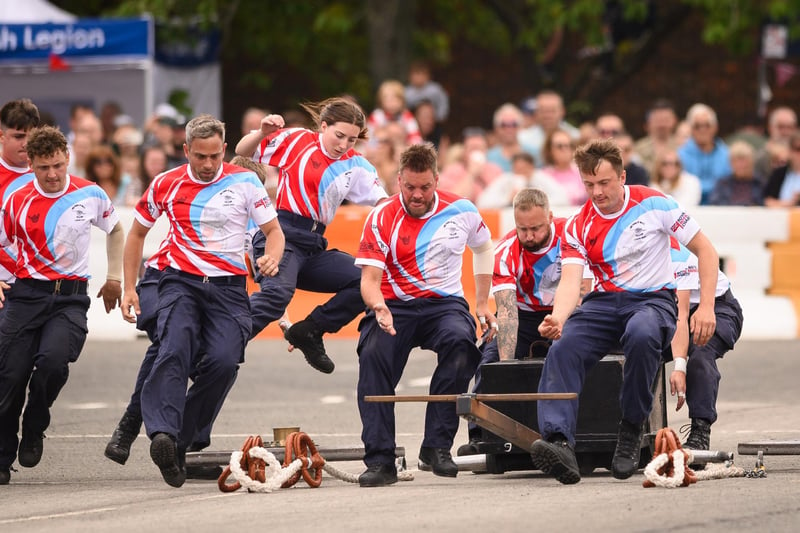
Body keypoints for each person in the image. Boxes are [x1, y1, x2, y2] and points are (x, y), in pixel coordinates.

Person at [529, 138, 720, 485]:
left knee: (643, 332)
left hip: (652, 299)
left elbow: (706, 251)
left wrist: (706, 306)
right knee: (563, 347)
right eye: (589, 185)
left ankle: (631, 428)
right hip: (603, 303)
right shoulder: (577, 224)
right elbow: (571, 281)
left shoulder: (655, 203)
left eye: (604, 183)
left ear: (622, 177)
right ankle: (560, 443)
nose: (597, 192)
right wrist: (558, 317)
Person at [120, 114, 284, 488]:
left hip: (228, 289)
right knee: (175, 347)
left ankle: (180, 438)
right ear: (186, 151)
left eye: (214, 156)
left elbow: (273, 232)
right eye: (199, 157)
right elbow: (135, 236)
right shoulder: (166, 183)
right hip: (181, 282)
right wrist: (130, 287)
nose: (208, 164)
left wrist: (272, 255)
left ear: (224, 150)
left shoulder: (244, 181)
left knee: (224, 363)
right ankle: (162, 433)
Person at [354, 142, 496, 487]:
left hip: (443, 304)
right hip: (394, 305)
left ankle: (436, 446)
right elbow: (369, 280)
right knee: (373, 355)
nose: (417, 195)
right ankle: (380, 459)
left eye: (425, 187)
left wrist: (481, 302)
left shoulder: (461, 210)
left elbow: (483, 247)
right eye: (409, 187)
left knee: (463, 345)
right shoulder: (381, 216)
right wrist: (378, 307)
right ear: (398, 180)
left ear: (437, 180)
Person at [0, 125, 124, 485]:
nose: (52, 175)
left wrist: (113, 277)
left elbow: (116, 230)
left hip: (69, 299)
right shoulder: (16, 198)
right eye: (43, 168)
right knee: (9, 377)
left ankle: (36, 423)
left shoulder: (90, 193)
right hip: (25, 296)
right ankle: (3, 456)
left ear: (68, 158)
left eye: (58, 165)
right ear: (32, 164)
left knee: (53, 363)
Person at [235, 97, 388, 374]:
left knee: (364, 281)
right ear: (323, 126)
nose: (343, 145)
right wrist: (261, 133)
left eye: (352, 140)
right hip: (281, 234)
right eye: (339, 136)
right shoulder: (297, 140)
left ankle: (310, 330)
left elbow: (384, 205)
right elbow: (242, 151)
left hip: (314, 245)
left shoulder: (357, 165)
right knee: (277, 295)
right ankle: (223, 343)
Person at [457, 188, 592, 455]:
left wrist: (562, 322)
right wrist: (505, 368)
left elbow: (583, 291)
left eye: (536, 228)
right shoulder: (506, 251)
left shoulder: (573, 236)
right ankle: (481, 434)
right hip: (525, 315)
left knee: (573, 355)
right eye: (523, 229)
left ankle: (581, 426)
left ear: (551, 218)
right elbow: (507, 313)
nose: (529, 236)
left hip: (568, 311)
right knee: (490, 360)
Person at [667, 239, 743, 454]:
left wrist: (679, 368)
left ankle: (700, 431)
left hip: (716, 308)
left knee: (700, 354)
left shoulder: (680, 257)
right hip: (670, 310)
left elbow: (680, 316)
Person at [0, 99, 40, 300]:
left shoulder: (48, 173)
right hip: (5, 288)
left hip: (40, 286)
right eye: (18, 136)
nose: (26, 143)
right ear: (1, 136)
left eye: (30, 136)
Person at [677, 103, 731, 204]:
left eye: (707, 125)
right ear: (691, 129)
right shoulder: (679, 155)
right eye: (697, 126)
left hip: (721, 209)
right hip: (689, 209)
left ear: (715, 127)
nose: (702, 130)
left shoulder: (727, 155)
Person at [707, 141, 764, 206]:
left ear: (751, 162)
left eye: (743, 160)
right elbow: (714, 203)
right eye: (736, 161)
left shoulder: (760, 184)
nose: (740, 165)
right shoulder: (723, 184)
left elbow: (766, 203)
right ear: (730, 163)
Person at [763, 132, 800, 208]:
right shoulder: (779, 173)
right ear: (790, 150)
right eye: (798, 149)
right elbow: (767, 199)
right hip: (779, 217)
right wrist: (788, 204)